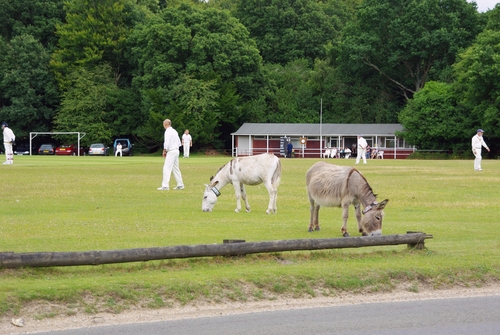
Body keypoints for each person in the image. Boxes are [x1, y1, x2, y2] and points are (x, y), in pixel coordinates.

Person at [158, 119, 184, 190]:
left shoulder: (167, 132)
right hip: (176, 150)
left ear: (165, 124)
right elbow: (179, 143)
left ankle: (165, 185)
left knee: (166, 168)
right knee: (176, 168)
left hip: (171, 151)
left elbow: (167, 142)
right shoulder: (174, 131)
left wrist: (164, 150)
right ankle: (180, 184)